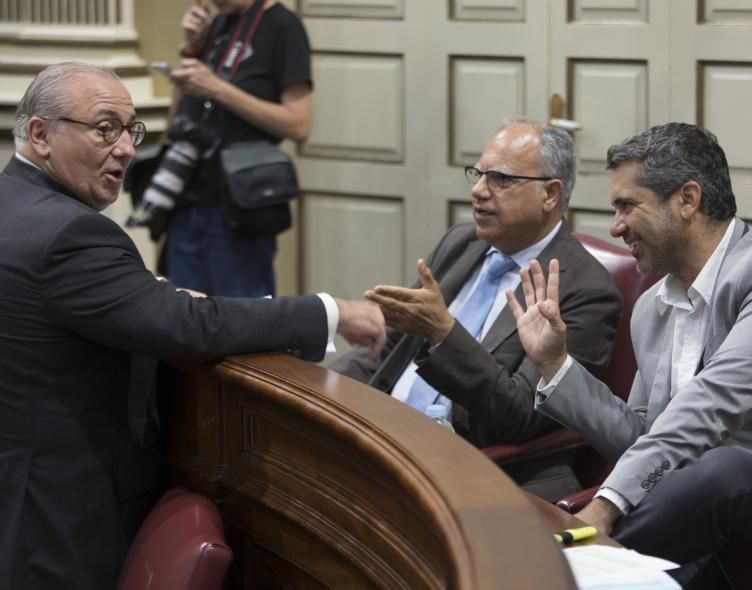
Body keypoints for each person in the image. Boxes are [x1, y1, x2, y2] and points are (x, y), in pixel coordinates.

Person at [0, 62, 384, 590]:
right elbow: (189, 327)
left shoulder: (15, 203)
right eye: (105, 128)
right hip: (57, 510)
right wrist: (331, 311)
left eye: (131, 131)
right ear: (41, 134)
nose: (127, 149)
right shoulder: (71, 231)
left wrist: (149, 295)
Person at [508, 122, 752, 587]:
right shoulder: (652, 306)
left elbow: (710, 407)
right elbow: (641, 437)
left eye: (627, 206)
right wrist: (555, 364)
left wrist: (604, 507)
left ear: (687, 199)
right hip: (693, 518)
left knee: (726, 471)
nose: (615, 225)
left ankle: (556, 567)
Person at [331, 118, 621, 499]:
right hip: (385, 438)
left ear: (550, 194)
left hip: (473, 470)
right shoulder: (461, 242)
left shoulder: (586, 289)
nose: (478, 190)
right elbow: (387, 354)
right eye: (478, 174)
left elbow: (519, 416)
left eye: (500, 179)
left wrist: (443, 334)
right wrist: (319, 388)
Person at [128, 0, 313, 297]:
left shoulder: (283, 26)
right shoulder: (218, 24)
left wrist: (218, 89)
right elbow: (178, 117)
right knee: (183, 320)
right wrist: (190, 49)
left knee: (245, 326)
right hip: (186, 198)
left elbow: (299, 125)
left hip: (239, 204)